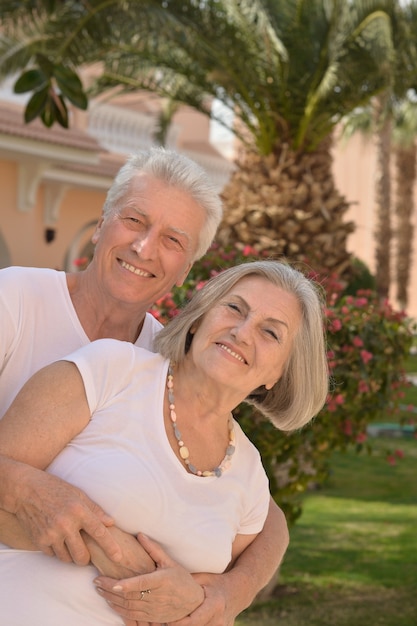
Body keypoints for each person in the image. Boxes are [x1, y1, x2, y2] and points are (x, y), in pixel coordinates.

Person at [0, 148, 290, 626]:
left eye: (173, 240)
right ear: (101, 224)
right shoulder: (14, 301)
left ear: (186, 271)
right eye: (134, 219)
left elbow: (263, 513)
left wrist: (227, 595)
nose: (144, 247)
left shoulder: (168, 361)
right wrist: (24, 486)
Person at [0, 260, 329, 626]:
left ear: (278, 374)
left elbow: (218, 598)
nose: (242, 331)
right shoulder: (110, 371)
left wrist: (218, 595)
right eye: (235, 308)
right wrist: (102, 545)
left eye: (271, 333)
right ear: (201, 315)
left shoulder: (249, 472)